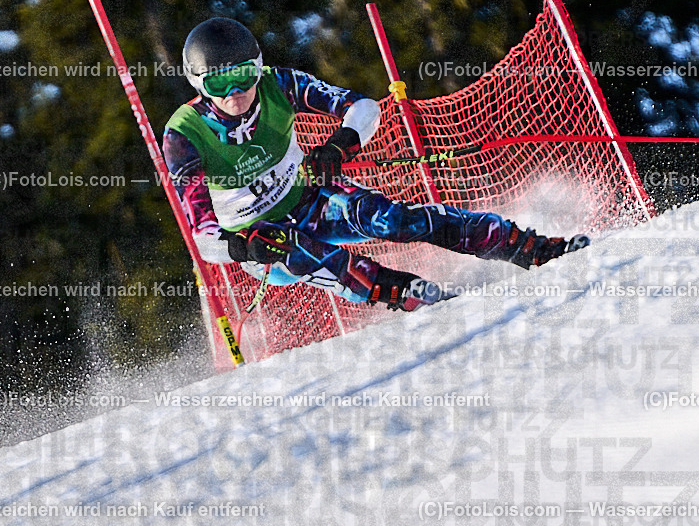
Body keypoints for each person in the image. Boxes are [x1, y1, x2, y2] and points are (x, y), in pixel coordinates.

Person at [162, 18, 588, 312]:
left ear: (258, 68)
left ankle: (532, 248)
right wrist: (243, 246)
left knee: (397, 220)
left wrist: (340, 145)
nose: (235, 92)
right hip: (262, 237)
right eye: (220, 82)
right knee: (313, 256)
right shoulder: (184, 134)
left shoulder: (280, 84)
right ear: (200, 84)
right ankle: (407, 294)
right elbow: (203, 238)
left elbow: (362, 107)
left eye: (243, 76)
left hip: (310, 197)